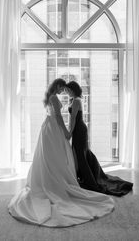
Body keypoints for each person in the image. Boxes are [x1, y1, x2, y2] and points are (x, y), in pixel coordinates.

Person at [8, 78, 114, 227]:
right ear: (57, 86)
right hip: (53, 128)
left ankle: (56, 177)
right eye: (62, 88)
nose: (63, 91)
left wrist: (66, 129)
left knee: (52, 156)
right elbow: (58, 117)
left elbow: (59, 116)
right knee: (57, 155)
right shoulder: (53, 97)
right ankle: (58, 180)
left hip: (48, 128)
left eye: (65, 89)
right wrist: (66, 131)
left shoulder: (51, 97)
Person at [66, 80, 133, 197]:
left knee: (81, 155)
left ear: (72, 90)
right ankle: (84, 176)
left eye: (67, 90)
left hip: (79, 130)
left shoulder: (76, 101)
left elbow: (73, 120)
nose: (66, 92)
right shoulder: (73, 100)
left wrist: (69, 133)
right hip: (77, 129)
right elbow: (71, 120)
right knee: (80, 154)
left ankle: (90, 181)